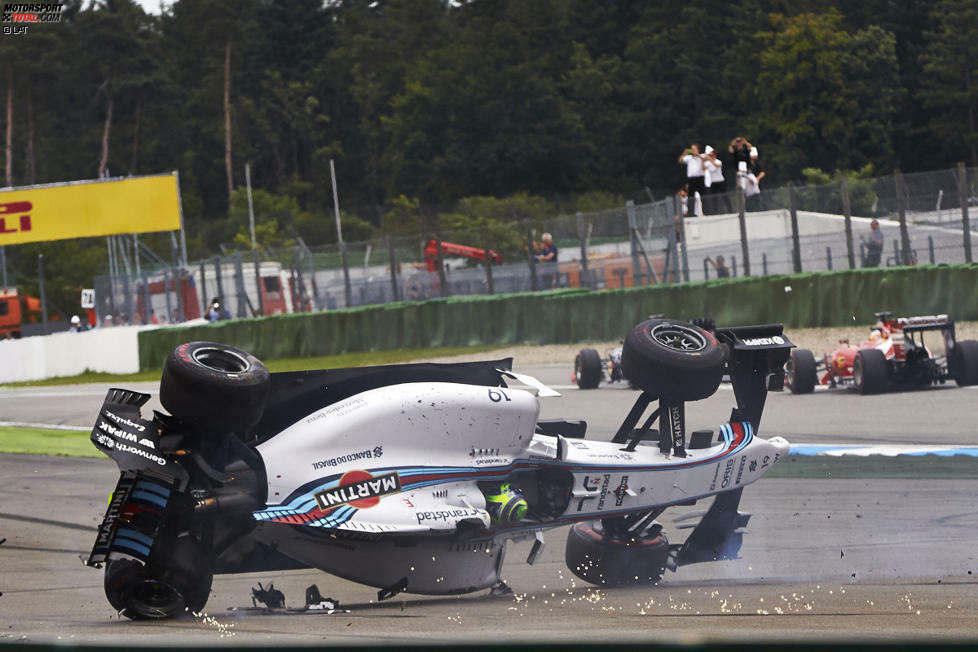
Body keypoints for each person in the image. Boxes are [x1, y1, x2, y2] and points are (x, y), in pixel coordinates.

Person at [678, 144, 707, 216]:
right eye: (692, 149)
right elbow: (680, 160)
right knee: (691, 197)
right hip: (692, 179)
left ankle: (706, 211)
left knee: (703, 196)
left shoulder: (702, 156)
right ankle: (691, 213)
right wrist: (684, 153)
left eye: (694, 149)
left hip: (700, 178)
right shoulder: (689, 158)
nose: (693, 151)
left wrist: (697, 155)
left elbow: (704, 159)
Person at [703, 146, 729, 214]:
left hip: (720, 181)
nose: (711, 156)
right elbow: (703, 168)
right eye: (709, 155)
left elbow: (717, 166)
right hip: (713, 182)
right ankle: (715, 211)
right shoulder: (707, 163)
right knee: (714, 198)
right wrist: (703, 160)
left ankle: (729, 209)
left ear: (714, 155)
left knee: (725, 196)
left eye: (712, 155)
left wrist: (710, 160)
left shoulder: (718, 161)